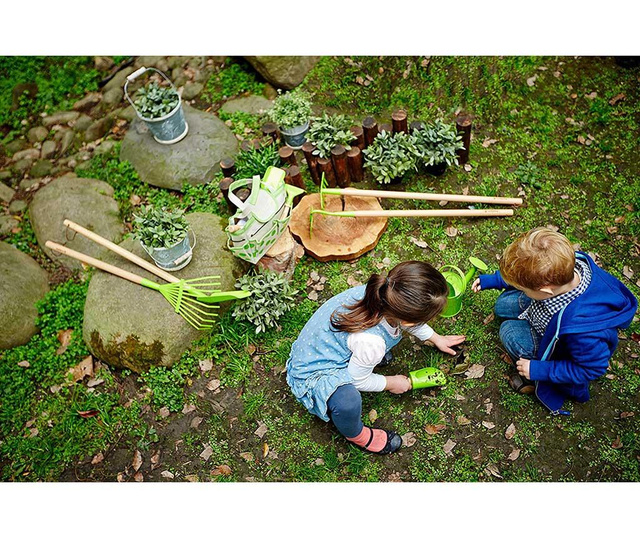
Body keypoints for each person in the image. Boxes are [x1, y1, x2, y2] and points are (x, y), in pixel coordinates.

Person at [286, 261, 465, 454]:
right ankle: (356, 434)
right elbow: (357, 380)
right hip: (312, 374)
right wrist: (390, 382)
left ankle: (361, 360)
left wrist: (435, 338)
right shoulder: (372, 343)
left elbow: (408, 320)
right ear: (407, 320)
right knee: (347, 401)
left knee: (368, 354)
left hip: (321, 345)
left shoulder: (383, 293)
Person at [472, 228, 637, 415]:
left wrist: (539, 370)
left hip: (555, 344)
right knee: (502, 305)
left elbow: (591, 369)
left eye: (523, 289)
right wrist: (495, 280)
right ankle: (526, 307)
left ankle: (531, 370)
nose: (520, 289)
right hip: (545, 311)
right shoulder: (568, 266)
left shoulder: (583, 333)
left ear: (545, 290)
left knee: (508, 331)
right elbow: (527, 273)